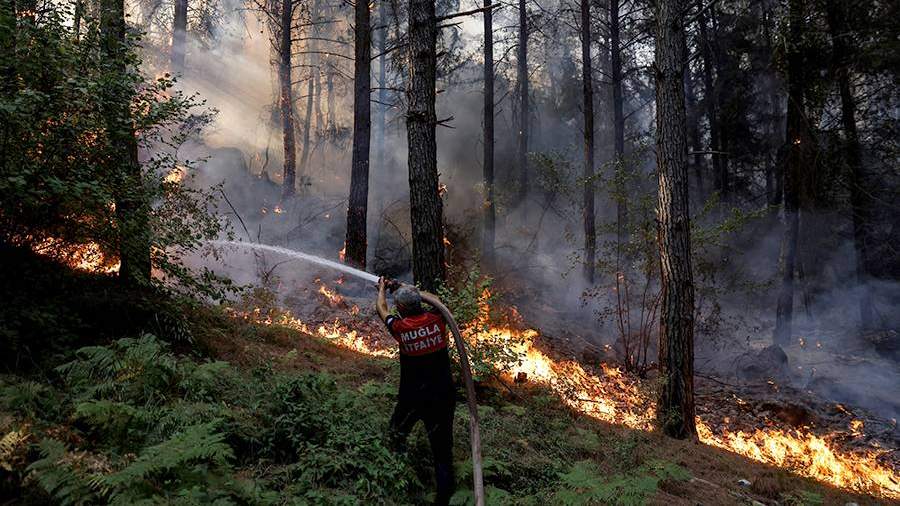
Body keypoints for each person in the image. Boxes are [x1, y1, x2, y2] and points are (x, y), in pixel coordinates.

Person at [376, 277, 456, 505]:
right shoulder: (439, 319)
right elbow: (437, 300)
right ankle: (444, 499)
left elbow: (381, 308)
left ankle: (394, 480)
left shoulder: (401, 328)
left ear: (400, 310)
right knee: (443, 453)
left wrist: (383, 289)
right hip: (442, 398)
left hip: (413, 398)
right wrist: (407, 289)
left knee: (395, 436)